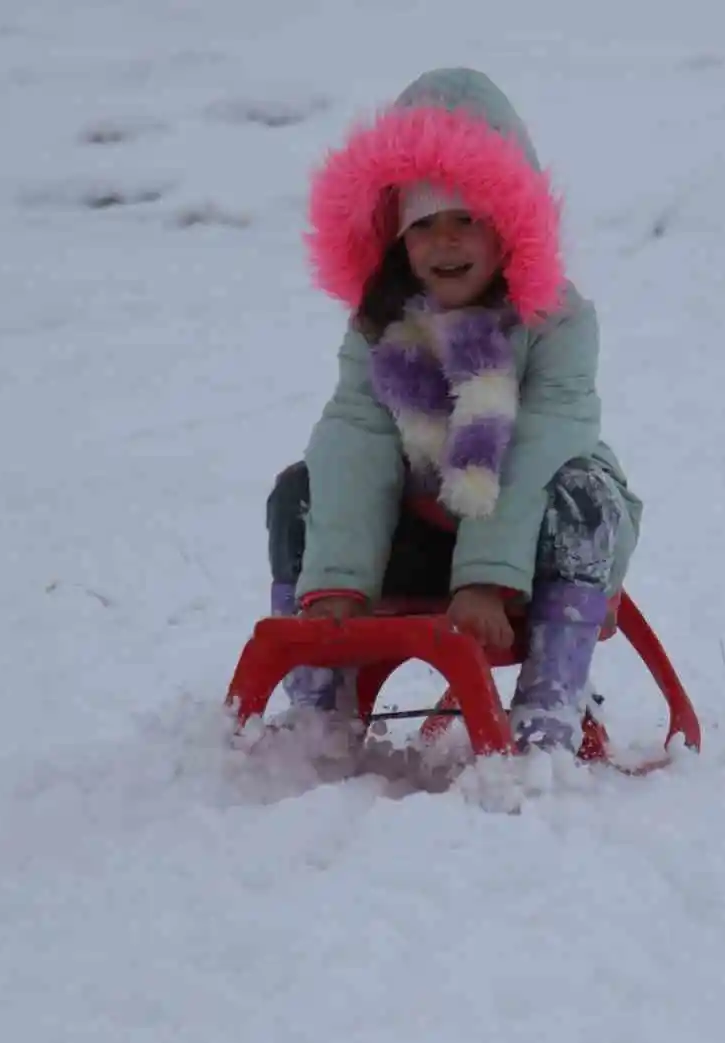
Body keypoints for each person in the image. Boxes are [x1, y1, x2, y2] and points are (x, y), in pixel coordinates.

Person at [265, 67, 643, 753]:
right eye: (424, 225)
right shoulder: (382, 328)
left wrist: (487, 581)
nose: (445, 242)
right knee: (300, 490)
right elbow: (356, 439)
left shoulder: (557, 322)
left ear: (507, 226)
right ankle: (319, 697)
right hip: (415, 532)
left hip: (532, 546)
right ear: (396, 240)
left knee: (585, 496)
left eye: (466, 220)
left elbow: (537, 445)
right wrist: (337, 587)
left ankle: (547, 707)